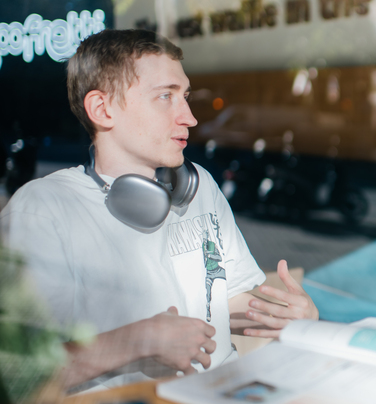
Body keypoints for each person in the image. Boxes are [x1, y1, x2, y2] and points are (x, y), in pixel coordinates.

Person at [0, 29, 318, 391]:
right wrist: (139, 341)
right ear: (102, 109)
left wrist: (288, 317)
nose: (189, 117)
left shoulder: (200, 187)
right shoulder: (41, 211)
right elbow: (15, 374)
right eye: (165, 96)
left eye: (185, 95)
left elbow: (225, 301)